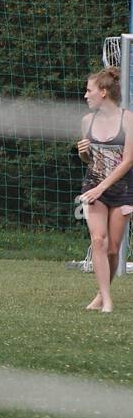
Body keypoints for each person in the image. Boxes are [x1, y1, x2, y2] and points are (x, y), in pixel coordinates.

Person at [76, 66, 133, 312]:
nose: (85, 95)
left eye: (89, 91)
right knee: (98, 240)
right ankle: (108, 300)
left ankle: (102, 294)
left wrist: (102, 188)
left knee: (112, 248)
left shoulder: (128, 119)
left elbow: (128, 161)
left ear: (103, 92)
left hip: (122, 190)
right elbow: (90, 161)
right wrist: (84, 154)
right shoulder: (87, 121)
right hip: (93, 186)